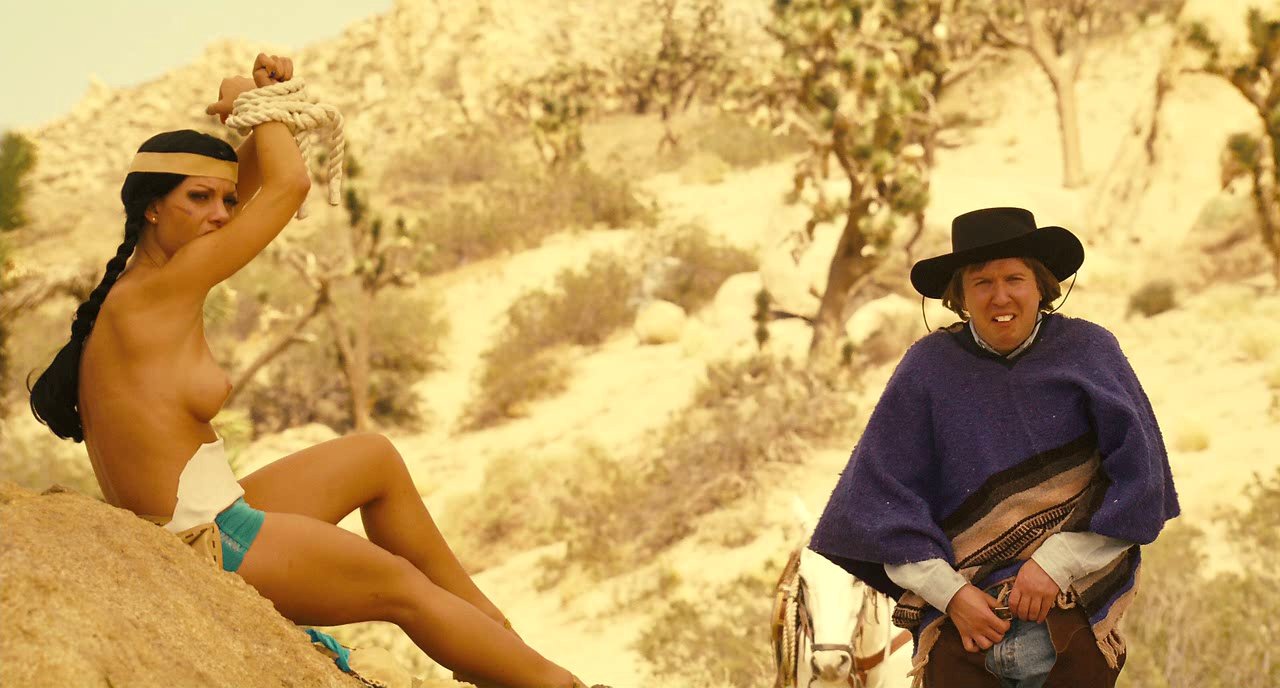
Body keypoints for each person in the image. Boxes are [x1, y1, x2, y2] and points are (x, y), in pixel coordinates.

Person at [28, 54, 588, 688]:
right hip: (208, 541)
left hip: (207, 512)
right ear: (152, 209)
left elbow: (245, 190)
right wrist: (245, 97)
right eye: (198, 198)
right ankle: (553, 683)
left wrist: (258, 106)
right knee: (399, 585)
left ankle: (492, 631)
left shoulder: (147, 282)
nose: (220, 214)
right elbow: (289, 186)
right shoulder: (164, 288)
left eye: (225, 199)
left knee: (372, 458)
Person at [808, 207, 1180, 687]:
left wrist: (1056, 563)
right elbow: (877, 506)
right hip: (962, 640)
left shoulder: (1090, 352)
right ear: (960, 296)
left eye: (1014, 278)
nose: (1000, 296)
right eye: (981, 282)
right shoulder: (927, 370)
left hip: (1071, 627)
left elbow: (1141, 486)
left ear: (1041, 285)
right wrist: (952, 595)